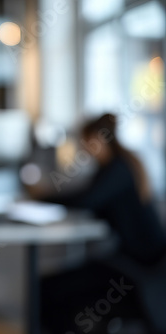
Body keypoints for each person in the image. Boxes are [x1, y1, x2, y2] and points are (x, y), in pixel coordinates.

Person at [39, 113, 166, 333]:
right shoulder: (124, 164)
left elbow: (87, 200)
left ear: (99, 139)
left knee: (47, 289)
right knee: (57, 289)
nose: (84, 148)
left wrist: (40, 197)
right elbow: (96, 202)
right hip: (138, 265)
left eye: (86, 141)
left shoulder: (118, 168)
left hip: (136, 271)